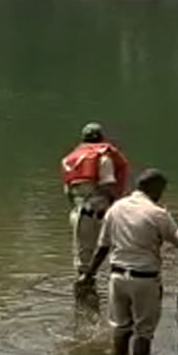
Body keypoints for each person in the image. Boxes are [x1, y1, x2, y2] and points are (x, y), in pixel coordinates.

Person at [83, 169, 178, 355]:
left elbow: (102, 247)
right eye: (161, 190)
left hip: (117, 278)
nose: (161, 195)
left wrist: (89, 274)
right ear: (153, 189)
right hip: (145, 280)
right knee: (143, 333)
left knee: (120, 328)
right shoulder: (158, 213)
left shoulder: (116, 208)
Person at [61, 123, 130, 301]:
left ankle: (84, 303)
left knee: (82, 258)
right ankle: (98, 299)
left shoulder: (71, 160)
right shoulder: (102, 157)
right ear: (101, 138)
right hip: (97, 212)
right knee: (115, 253)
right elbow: (108, 186)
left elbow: (67, 191)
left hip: (78, 212)